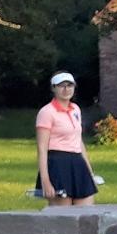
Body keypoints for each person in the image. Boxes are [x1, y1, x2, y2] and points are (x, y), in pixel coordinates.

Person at [34, 71, 98, 206]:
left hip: (77, 162)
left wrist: (89, 171)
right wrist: (46, 181)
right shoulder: (47, 112)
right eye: (61, 86)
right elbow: (42, 148)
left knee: (87, 212)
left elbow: (78, 141)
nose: (66, 89)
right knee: (63, 214)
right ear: (53, 88)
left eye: (69, 85)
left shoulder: (75, 109)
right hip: (58, 163)